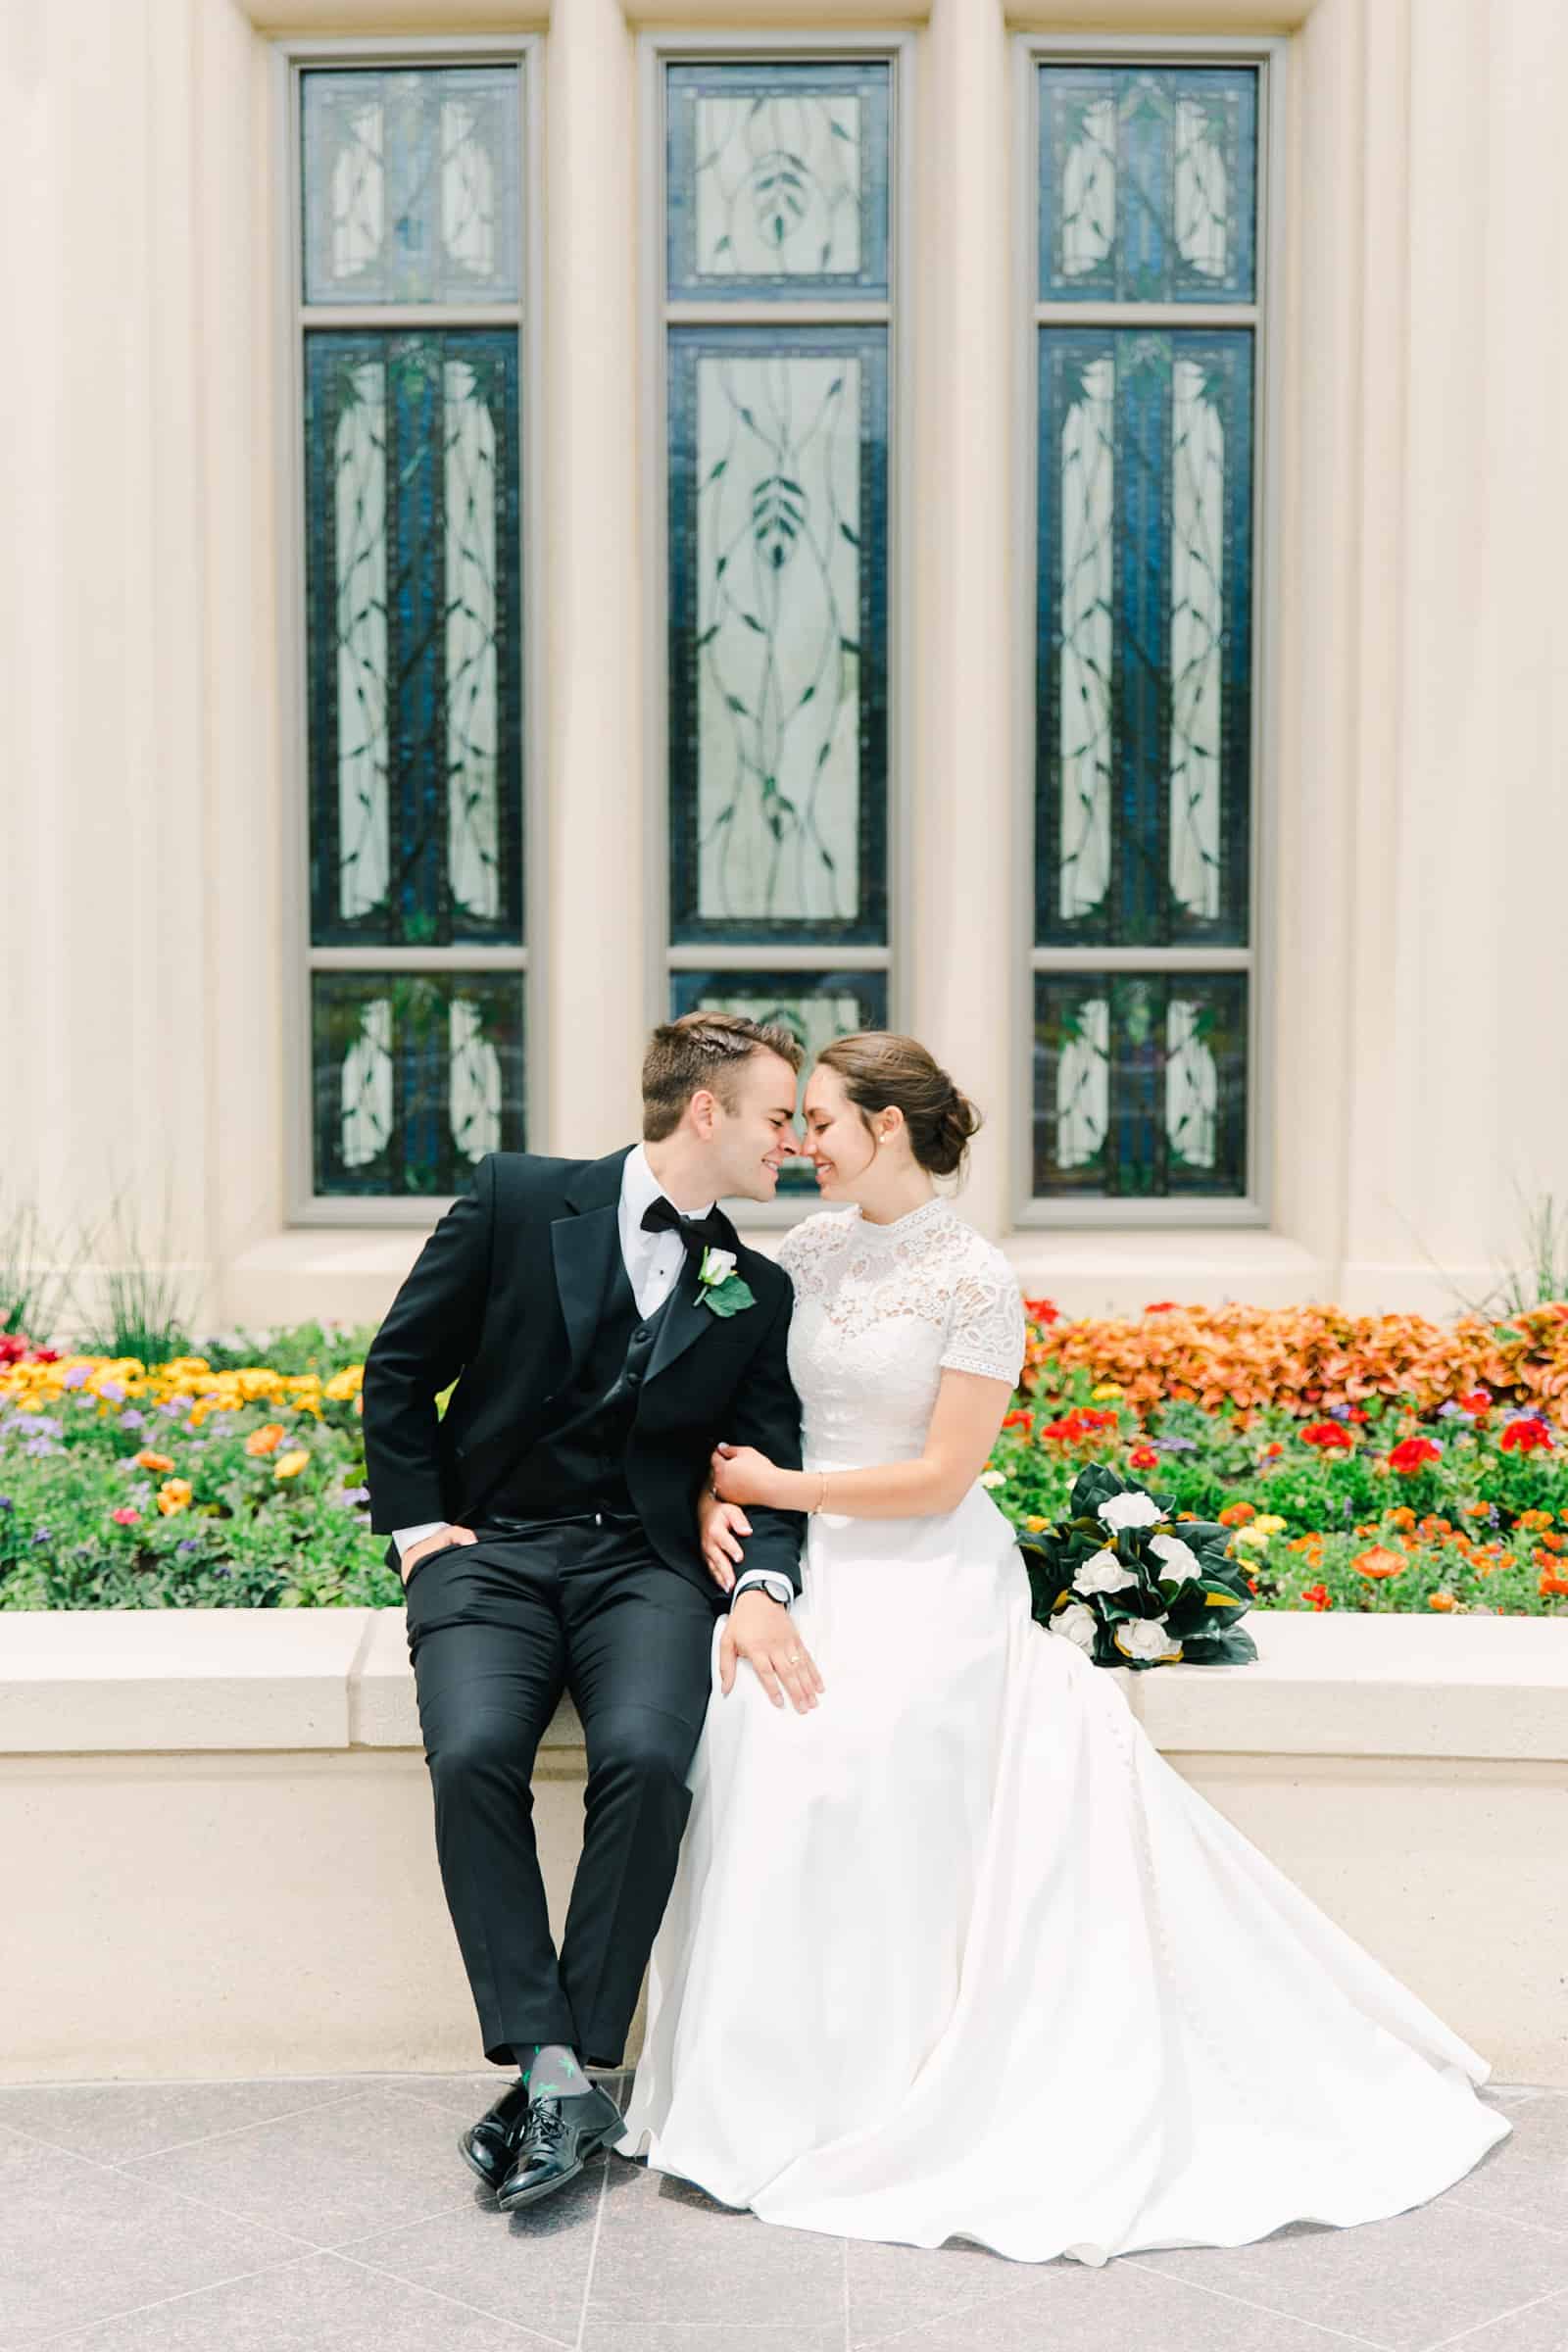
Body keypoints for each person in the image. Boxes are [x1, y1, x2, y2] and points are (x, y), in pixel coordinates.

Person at [619, 1032, 1512, 2266]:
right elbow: (742, 1412)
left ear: (885, 1128)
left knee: (860, 1757)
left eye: (817, 1121)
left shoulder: (974, 1280)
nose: (796, 1143)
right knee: (755, 1749)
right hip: (805, 1552)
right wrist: (734, 1501)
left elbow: (941, 1478)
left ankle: (886, 2095)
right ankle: (759, 2104)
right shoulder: (800, 1253)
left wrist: (785, 1485)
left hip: (922, 1568)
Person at [361, 1010, 824, 2212]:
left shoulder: (754, 1286)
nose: (793, 1142)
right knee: (471, 1755)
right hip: (489, 1554)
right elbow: (401, 1368)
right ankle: (561, 2069)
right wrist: (420, 1535)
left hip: (646, 1570)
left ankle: (560, 2072)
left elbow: (770, 1457)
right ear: (706, 1111)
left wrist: (765, 1580)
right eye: (779, 1117)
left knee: (648, 1759)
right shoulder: (519, 1200)